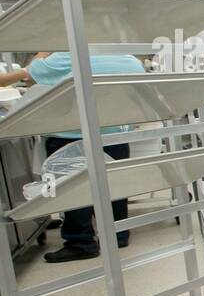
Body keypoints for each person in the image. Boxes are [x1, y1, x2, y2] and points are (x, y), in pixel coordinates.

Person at [0, 51, 143, 262]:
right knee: (113, 186)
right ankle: (118, 235)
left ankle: (80, 242)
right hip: (115, 133)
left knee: (72, 189)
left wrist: (41, 55)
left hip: (71, 134)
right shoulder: (129, 59)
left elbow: (19, 76)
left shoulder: (64, 57)